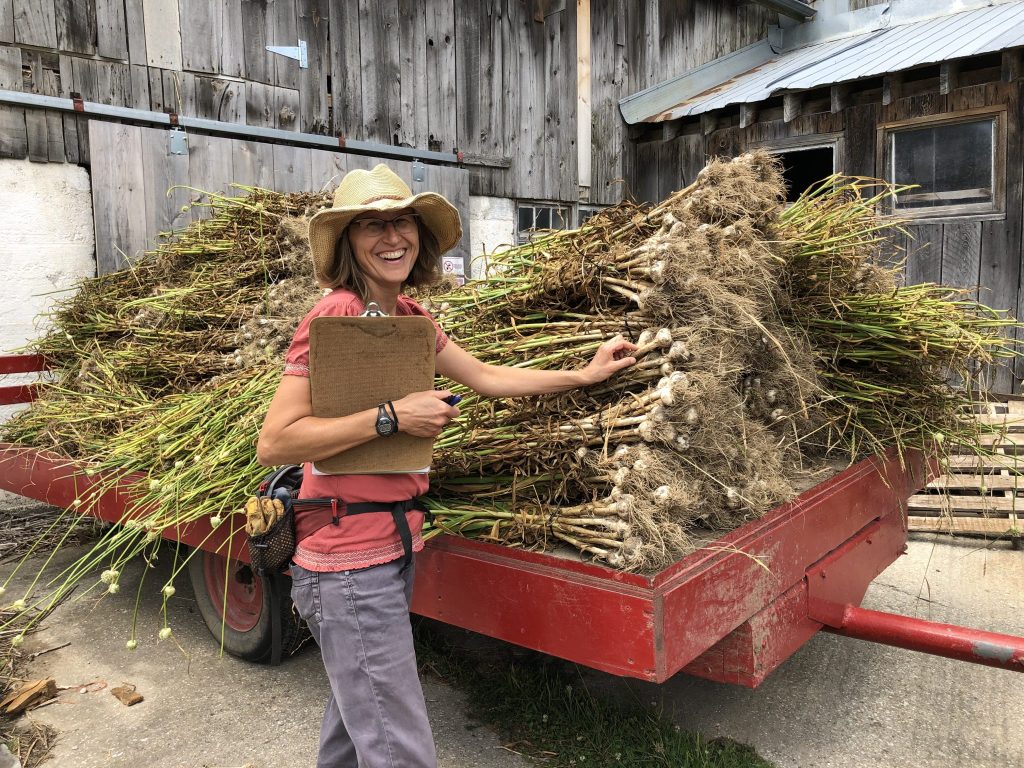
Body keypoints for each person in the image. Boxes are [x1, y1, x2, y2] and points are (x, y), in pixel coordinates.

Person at [256, 163, 636, 768]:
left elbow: (485, 377)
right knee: (399, 750)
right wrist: (391, 417)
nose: (392, 237)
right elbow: (276, 442)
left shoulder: (409, 317)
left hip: (389, 548)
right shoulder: (336, 315)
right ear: (349, 241)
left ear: (420, 234)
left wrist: (583, 374)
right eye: (372, 225)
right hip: (348, 560)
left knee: (356, 730)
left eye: (402, 222)